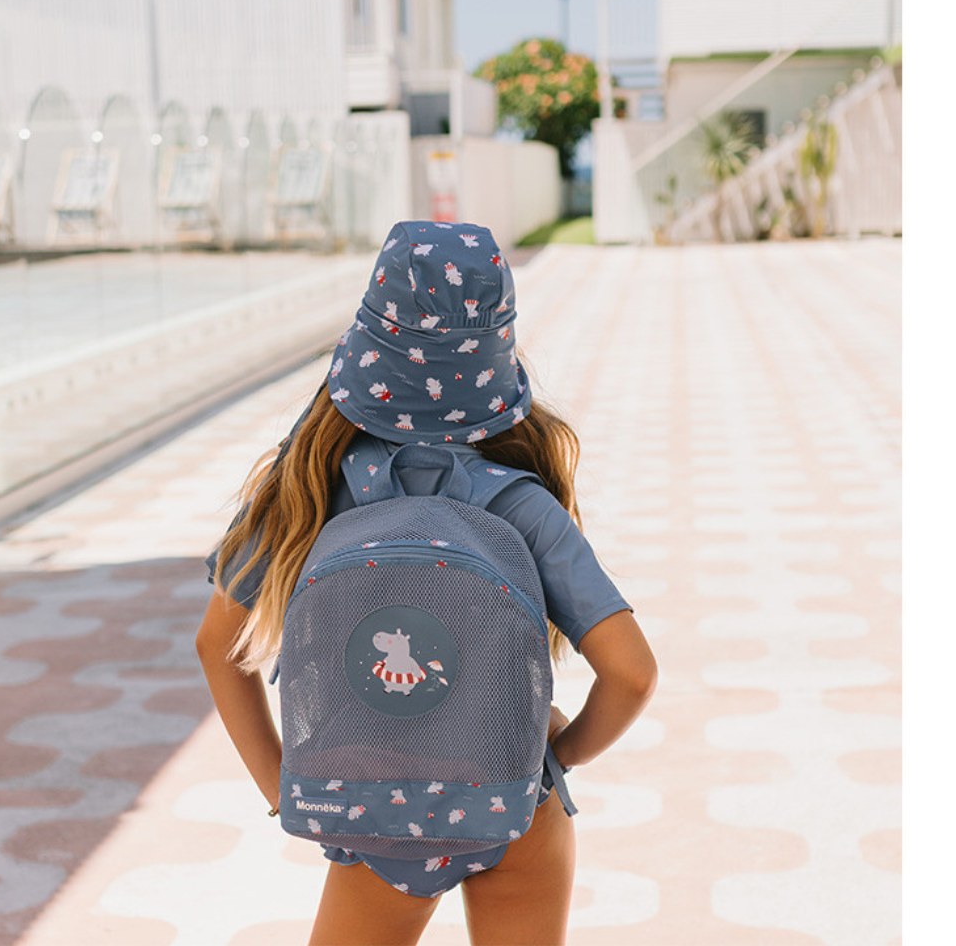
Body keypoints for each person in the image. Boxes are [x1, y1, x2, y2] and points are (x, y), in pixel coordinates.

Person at [196, 221, 658, 946]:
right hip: (514, 809)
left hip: (379, 818)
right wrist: (552, 759)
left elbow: (216, 645)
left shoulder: (314, 490)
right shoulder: (520, 503)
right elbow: (632, 674)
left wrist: (282, 786)